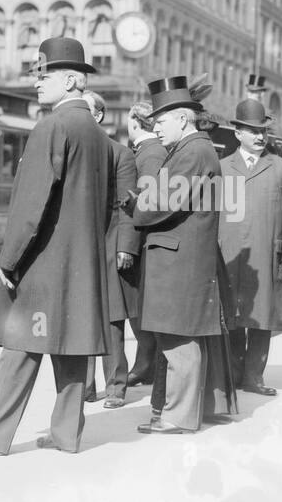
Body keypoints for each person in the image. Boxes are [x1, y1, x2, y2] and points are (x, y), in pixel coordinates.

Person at [0, 37, 110, 456]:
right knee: (73, 347)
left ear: (71, 80)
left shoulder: (52, 127)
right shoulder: (95, 133)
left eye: (45, 74)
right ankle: (66, 434)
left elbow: (32, 204)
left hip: (44, 262)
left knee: (20, 346)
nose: (37, 82)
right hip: (82, 262)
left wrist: (9, 258)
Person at [129, 76, 229, 434]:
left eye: (160, 121)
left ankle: (178, 417)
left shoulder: (192, 152)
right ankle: (173, 412)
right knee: (176, 339)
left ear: (182, 119)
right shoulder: (194, 150)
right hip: (181, 259)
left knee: (179, 340)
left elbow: (158, 204)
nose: (155, 128)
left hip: (179, 262)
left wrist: (135, 204)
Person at [218, 98, 282, 396]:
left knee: (262, 317)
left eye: (263, 131)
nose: (259, 136)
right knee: (230, 316)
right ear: (237, 132)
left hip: (266, 255)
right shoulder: (221, 168)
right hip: (229, 255)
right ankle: (233, 372)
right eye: (252, 130)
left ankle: (254, 376)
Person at [82, 90, 139, 409]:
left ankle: (116, 384)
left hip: (108, 246)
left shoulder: (120, 154)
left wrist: (125, 247)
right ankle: (85, 386)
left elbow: (127, 207)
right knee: (80, 316)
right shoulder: (73, 152)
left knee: (112, 319)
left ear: (99, 116)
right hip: (79, 248)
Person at [124, 100, 165, 386]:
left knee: (139, 309)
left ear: (135, 122)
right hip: (140, 243)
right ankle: (145, 363)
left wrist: (128, 244)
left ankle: (145, 364)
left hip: (140, 244)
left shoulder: (149, 154)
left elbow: (145, 202)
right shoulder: (147, 151)